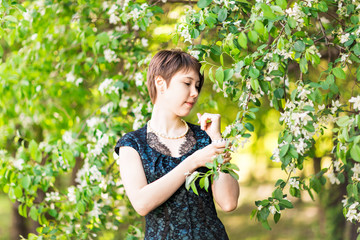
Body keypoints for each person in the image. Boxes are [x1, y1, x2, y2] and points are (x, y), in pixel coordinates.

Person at [114, 49, 239, 239]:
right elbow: (141, 203)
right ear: (160, 83)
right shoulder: (132, 145)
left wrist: (216, 139)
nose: (194, 93)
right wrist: (192, 162)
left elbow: (229, 203)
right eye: (187, 83)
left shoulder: (204, 138)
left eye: (197, 86)